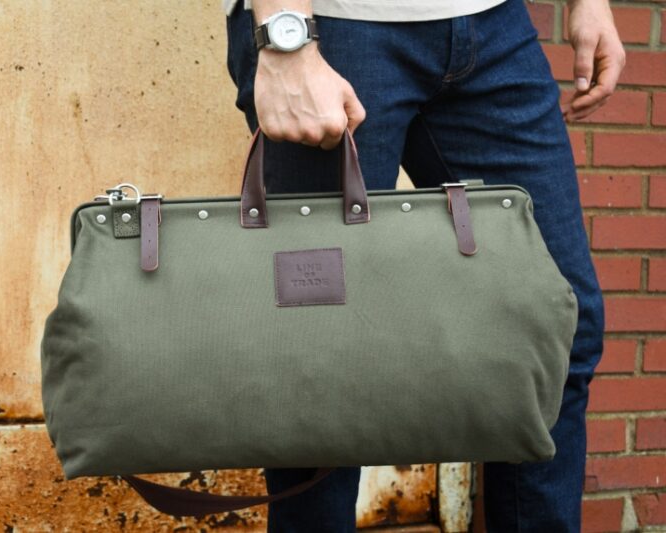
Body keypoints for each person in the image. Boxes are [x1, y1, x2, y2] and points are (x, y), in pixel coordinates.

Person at [223, 0, 625, 531]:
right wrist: (285, 38)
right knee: (315, 352)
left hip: (494, 26)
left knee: (555, 328)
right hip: (338, 25)